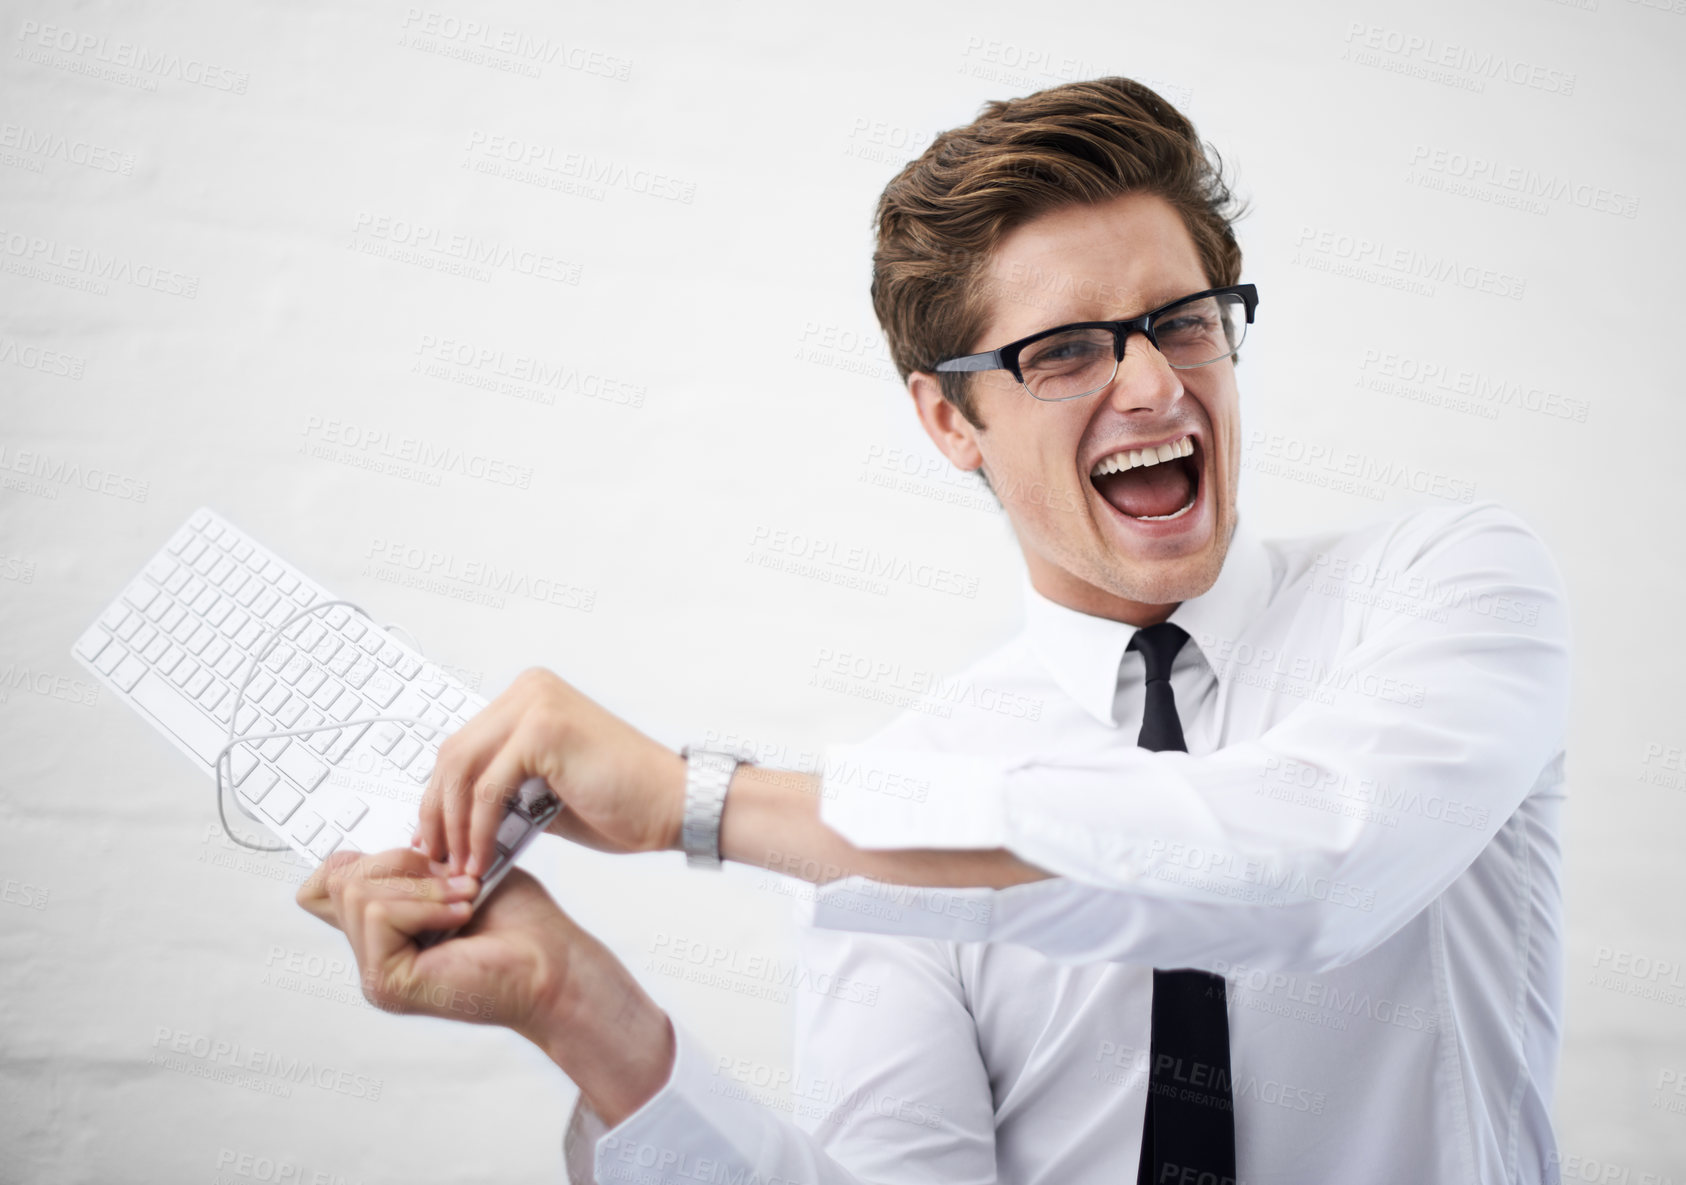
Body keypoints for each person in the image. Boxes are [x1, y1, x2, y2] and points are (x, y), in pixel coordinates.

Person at [298, 77, 1571, 1184]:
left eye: (1183, 322)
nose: (1155, 384)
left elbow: (1304, 868)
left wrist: (698, 801)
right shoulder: (892, 821)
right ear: (949, 421)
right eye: (1067, 350)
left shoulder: (1444, 587)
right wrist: (579, 1010)